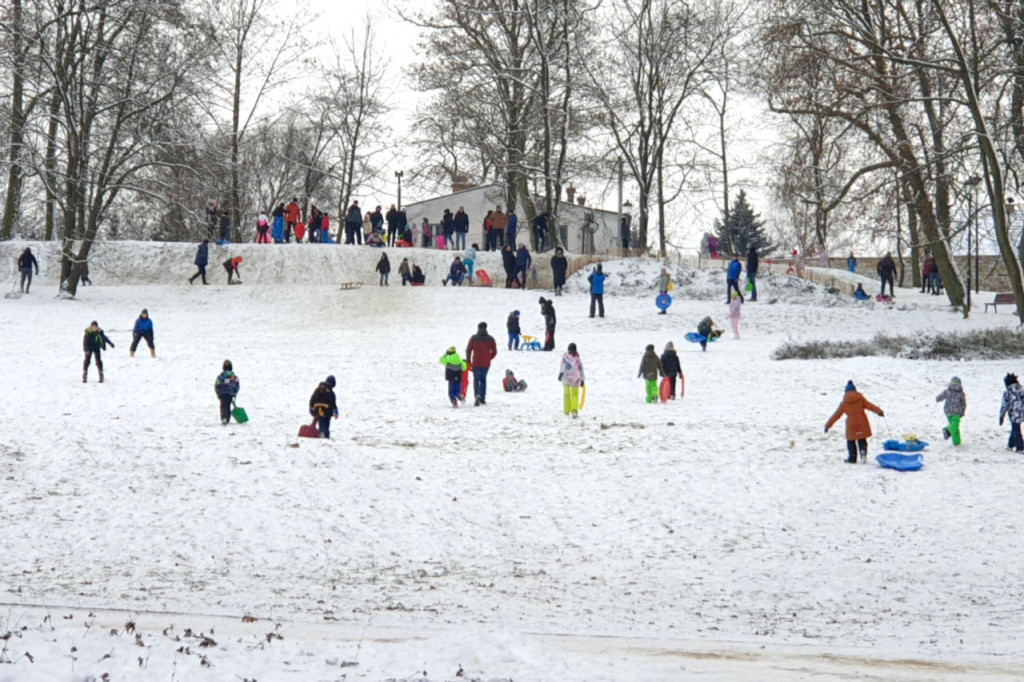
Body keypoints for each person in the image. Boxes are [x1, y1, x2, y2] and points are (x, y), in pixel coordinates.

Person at [825, 380, 884, 463]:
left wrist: (827, 425)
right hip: (862, 421)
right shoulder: (861, 399)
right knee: (862, 439)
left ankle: (852, 458)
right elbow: (870, 406)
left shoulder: (844, 403)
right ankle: (863, 453)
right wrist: (879, 412)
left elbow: (836, 415)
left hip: (851, 424)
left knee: (851, 441)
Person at [466, 322, 497, 406]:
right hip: (486, 364)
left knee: (476, 380)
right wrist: (488, 358)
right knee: (483, 380)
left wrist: (469, 361)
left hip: (476, 362)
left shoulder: (473, 338)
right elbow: (494, 352)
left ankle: (477, 395)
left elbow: (468, 350)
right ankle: (482, 397)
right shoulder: (490, 338)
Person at [935, 376, 966, 445]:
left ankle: (957, 442)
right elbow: (963, 403)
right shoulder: (961, 393)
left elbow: (940, 397)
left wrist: (937, 399)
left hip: (948, 411)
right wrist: (963, 412)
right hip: (957, 412)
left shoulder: (947, 391)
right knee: (954, 425)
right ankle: (947, 430)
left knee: (955, 427)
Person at [559, 343, 585, 417]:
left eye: (572, 350)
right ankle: (566, 410)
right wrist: (561, 373)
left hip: (575, 378)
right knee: (566, 393)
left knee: (575, 394)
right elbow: (562, 365)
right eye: (569, 350)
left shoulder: (577, 358)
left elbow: (581, 368)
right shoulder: (565, 356)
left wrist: (582, 379)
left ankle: (574, 410)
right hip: (566, 377)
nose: (570, 352)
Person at [1000, 373, 1024, 452]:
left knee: (1016, 429)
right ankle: (1010, 444)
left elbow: (1004, 406)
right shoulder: (1021, 389)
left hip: (1013, 413)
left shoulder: (1007, 392)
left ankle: (1020, 447)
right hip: (1022, 413)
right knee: (1015, 428)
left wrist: (1001, 416)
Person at [214, 359, 239, 425]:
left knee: (223, 406)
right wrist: (235, 392)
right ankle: (227, 418)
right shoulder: (234, 376)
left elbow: (217, 384)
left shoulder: (221, 376)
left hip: (222, 394)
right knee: (228, 406)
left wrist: (217, 392)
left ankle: (224, 418)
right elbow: (237, 385)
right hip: (230, 394)